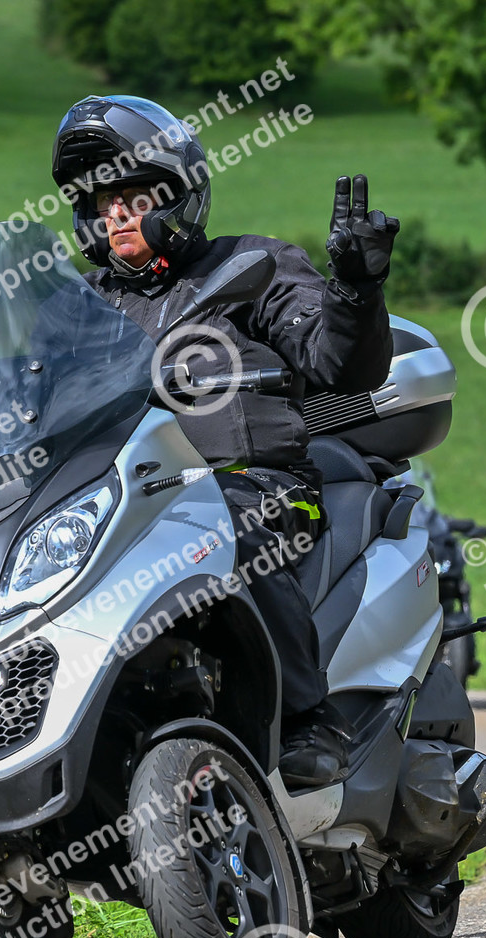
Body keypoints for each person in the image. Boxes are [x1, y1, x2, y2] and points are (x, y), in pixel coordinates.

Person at [50, 95, 398, 787]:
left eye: (134, 196)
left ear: (179, 196)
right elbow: (15, 396)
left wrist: (357, 290)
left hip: (254, 488)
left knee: (224, 524)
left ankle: (307, 718)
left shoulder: (251, 266)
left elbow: (339, 364)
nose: (115, 214)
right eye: (102, 201)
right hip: (117, 505)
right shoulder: (75, 308)